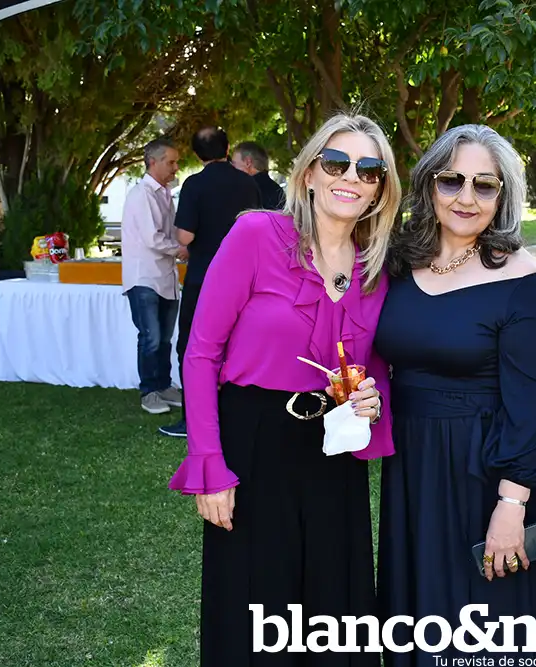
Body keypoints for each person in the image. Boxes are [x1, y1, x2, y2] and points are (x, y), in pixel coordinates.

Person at [166, 112, 401, 667]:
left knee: (333, 613)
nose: (351, 177)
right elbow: (201, 353)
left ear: (380, 189)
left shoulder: (377, 269)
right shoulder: (256, 234)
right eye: (336, 162)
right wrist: (209, 465)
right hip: (252, 447)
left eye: (369, 169)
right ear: (309, 173)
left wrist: (372, 401)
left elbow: (374, 368)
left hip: (333, 454)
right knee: (255, 611)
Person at [374, 124, 536, 667]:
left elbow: (532, 406)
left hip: (489, 471)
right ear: (429, 185)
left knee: (488, 626)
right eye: (452, 181)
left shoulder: (519, 278)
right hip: (415, 470)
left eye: (484, 185)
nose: (466, 197)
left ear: (503, 196)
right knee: (423, 620)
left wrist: (512, 505)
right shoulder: (398, 263)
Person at [159, 126, 262, 438]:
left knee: (193, 347)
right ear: (227, 148)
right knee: (238, 346)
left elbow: (185, 236)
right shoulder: (248, 183)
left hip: (204, 277)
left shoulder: (194, 184)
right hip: (245, 277)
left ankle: (193, 419)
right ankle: (235, 416)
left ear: (196, 154)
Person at [121, 136, 186, 415]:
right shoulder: (141, 195)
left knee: (165, 339)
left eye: (176, 162)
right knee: (150, 337)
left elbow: (171, 233)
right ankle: (149, 391)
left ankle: (163, 385)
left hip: (166, 277)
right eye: (171, 162)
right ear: (152, 162)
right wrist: (181, 250)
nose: (175, 168)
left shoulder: (165, 194)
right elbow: (153, 238)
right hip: (144, 277)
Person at [232, 140, 286, 210]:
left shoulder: (246, 190)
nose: (232, 168)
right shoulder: (277, 190)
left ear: (248, 162)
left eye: (234, 164)